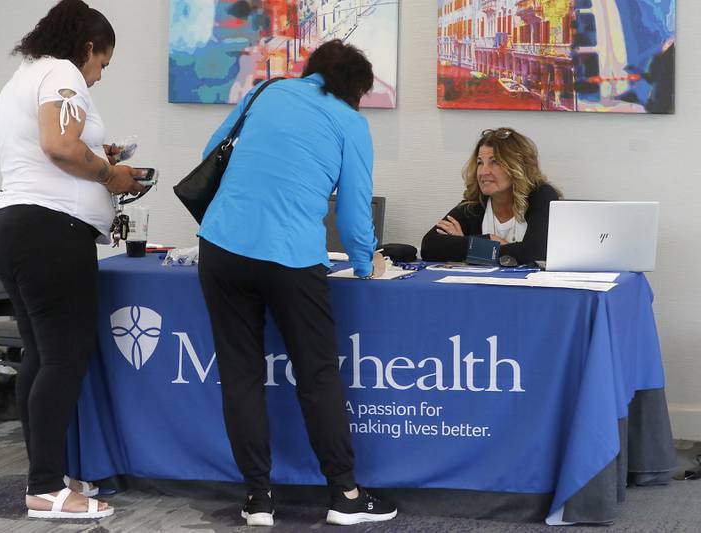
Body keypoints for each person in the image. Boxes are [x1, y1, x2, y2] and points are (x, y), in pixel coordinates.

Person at [196, 40, 397, 527]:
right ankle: (344, 495)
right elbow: (352, 213)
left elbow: (210, 155)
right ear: (355, 89)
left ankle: (257, 499)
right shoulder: (351, 123)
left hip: (221, 245)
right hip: (290, 256)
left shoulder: (266, 91)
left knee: (240, 374)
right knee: (317, 374)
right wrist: (366, 264)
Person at [0, 0, 143, 520]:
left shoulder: (24, 75)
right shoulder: (62, 71)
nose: (96, 79)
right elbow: (59, 146)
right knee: (63, 358)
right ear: (89, 47)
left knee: (40, 355)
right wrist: (109, 176)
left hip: (12, 225)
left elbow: (54, 145)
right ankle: (46, 488)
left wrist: (101, 155)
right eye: (102, 65)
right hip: (48, 230)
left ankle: (46, 475)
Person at [420, 127, 561, 265]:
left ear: (518, 166)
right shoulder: (475, 205)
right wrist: (489, 240)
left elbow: (535, 253)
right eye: (480, 162)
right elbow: (429, 246)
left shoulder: (541, 195)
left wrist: (468, 246)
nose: (483, 172)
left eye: (495, 162)